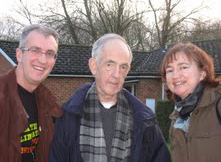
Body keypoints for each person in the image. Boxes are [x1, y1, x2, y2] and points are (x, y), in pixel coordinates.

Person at [49, 33, 171, 162]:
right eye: (109, 64)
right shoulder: (68, 117)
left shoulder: (145, 120)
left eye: (123, 67)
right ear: (93, 66)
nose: (117, 74)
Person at [0, 24, 63, 162]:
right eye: (35, 50)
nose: (42, 60)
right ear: (19, 55)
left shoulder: (48, 103)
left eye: (50, 53)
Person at [161, 43, 221, 162]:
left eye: (183, 67)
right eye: (170, 70)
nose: (175, 75)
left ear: (202, 74)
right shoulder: (177, 117)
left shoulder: (218, 104)